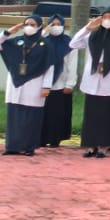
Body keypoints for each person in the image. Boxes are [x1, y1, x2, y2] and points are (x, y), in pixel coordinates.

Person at [70, 9, 110, 158]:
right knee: (91, 116)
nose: (107, 20)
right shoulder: (92, 35)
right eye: (105, 17)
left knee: (107, 116)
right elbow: (73, 43)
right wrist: (88, 28)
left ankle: (104, 146)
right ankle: (90, 146)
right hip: (92, 81)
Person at [0, 16, 52, 156]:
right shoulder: (17, 42)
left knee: (31, 117)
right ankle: (12, 146)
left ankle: (29, 147)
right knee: (14, 116)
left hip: (35, 83)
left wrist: (46, 86)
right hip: (15, 83)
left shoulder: (45, 45)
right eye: (26, 24)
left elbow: (49, 66)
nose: (29, 26)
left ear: (39, 26)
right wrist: (9, 32)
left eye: (32, 24)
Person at [38, 15, 75, 149]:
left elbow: (72, 64)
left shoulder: (69, 43)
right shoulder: (44, 42)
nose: (56, 27)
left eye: (58, 24)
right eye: (52, 24)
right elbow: (33, 44)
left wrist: (70, 84)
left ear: (64, 26)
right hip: (44, 85)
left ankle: (55, 139)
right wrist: (44, 31)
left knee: (58, 114)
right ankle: (42, 138)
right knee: (44, 113)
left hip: (61, 84)